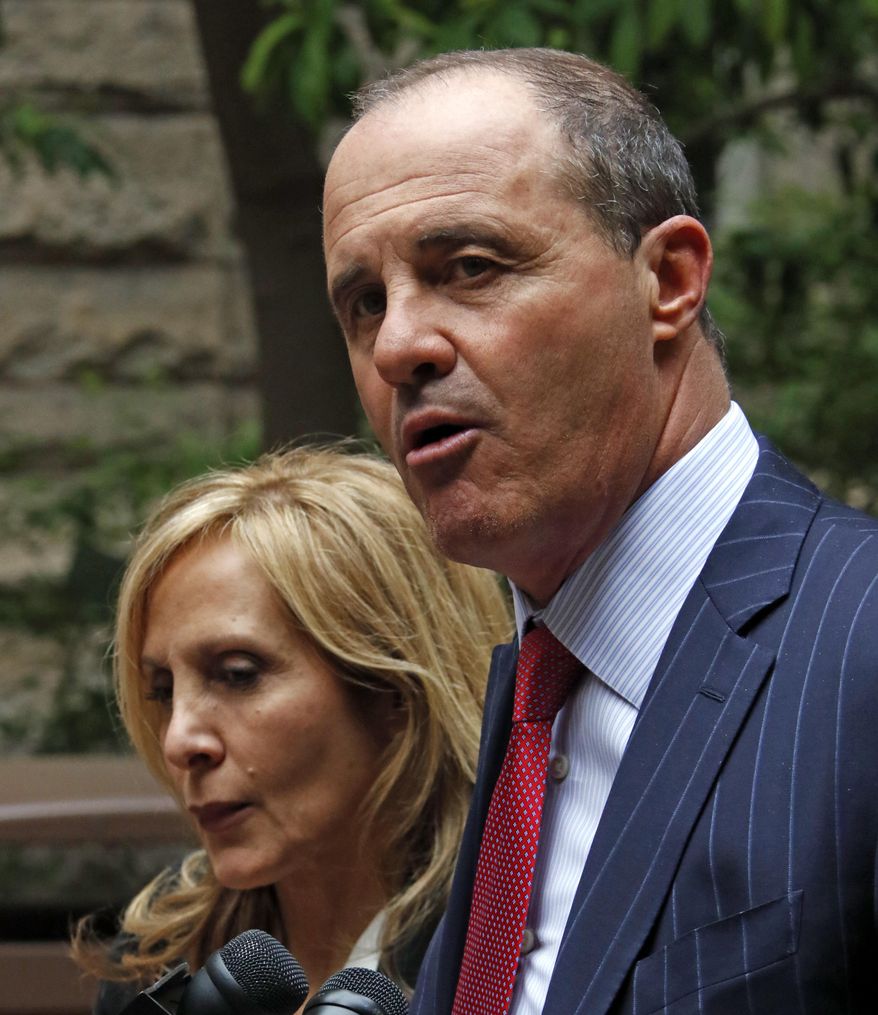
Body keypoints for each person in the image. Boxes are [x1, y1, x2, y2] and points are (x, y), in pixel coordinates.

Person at [322, 47, 878, 1014]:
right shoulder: (538, 686)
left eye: (470, 268)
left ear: (668, 279)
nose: (401, 344)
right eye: (365, 302)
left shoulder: (857, 645)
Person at [71, 444, 512, 1014]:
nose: (180, 740)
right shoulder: (158, 958)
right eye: (163, 690)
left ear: (396, 688)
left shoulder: (519, 940)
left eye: (236, 675)